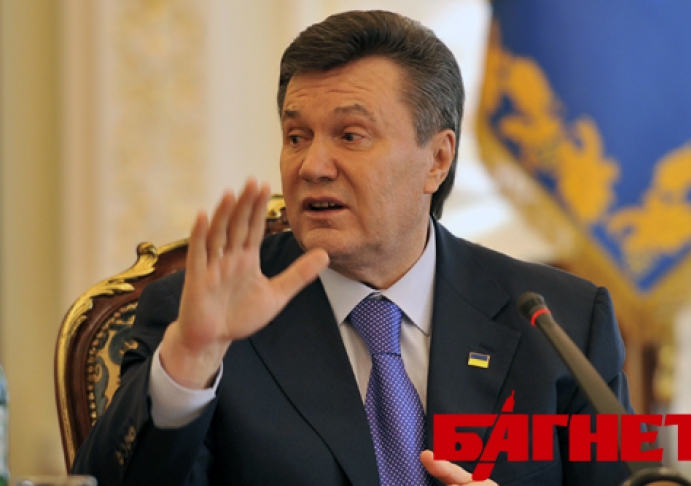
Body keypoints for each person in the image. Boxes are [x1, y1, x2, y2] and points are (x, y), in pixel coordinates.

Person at [73, 10, 634, 486]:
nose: (312, 166)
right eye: (297, 137)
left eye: (350, 136)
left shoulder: (562, 324)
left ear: (437, 160)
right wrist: (191, 362)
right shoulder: (199, 316)